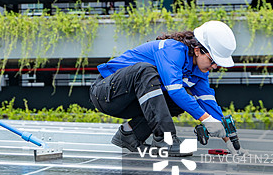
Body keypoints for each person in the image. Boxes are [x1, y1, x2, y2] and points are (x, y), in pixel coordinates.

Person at [89, 20, 245, 157]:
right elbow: (175, 90)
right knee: (147, 72)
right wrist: (205, 120)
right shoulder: (172, 50)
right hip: (106, 93)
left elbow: (208, 102)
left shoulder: (198, 72)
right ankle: (165, 139)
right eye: (212, 60)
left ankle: (130, 134)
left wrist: (230, 140)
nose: (214, 66)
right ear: (198, 50)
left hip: (131, 100)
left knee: (182, 99)